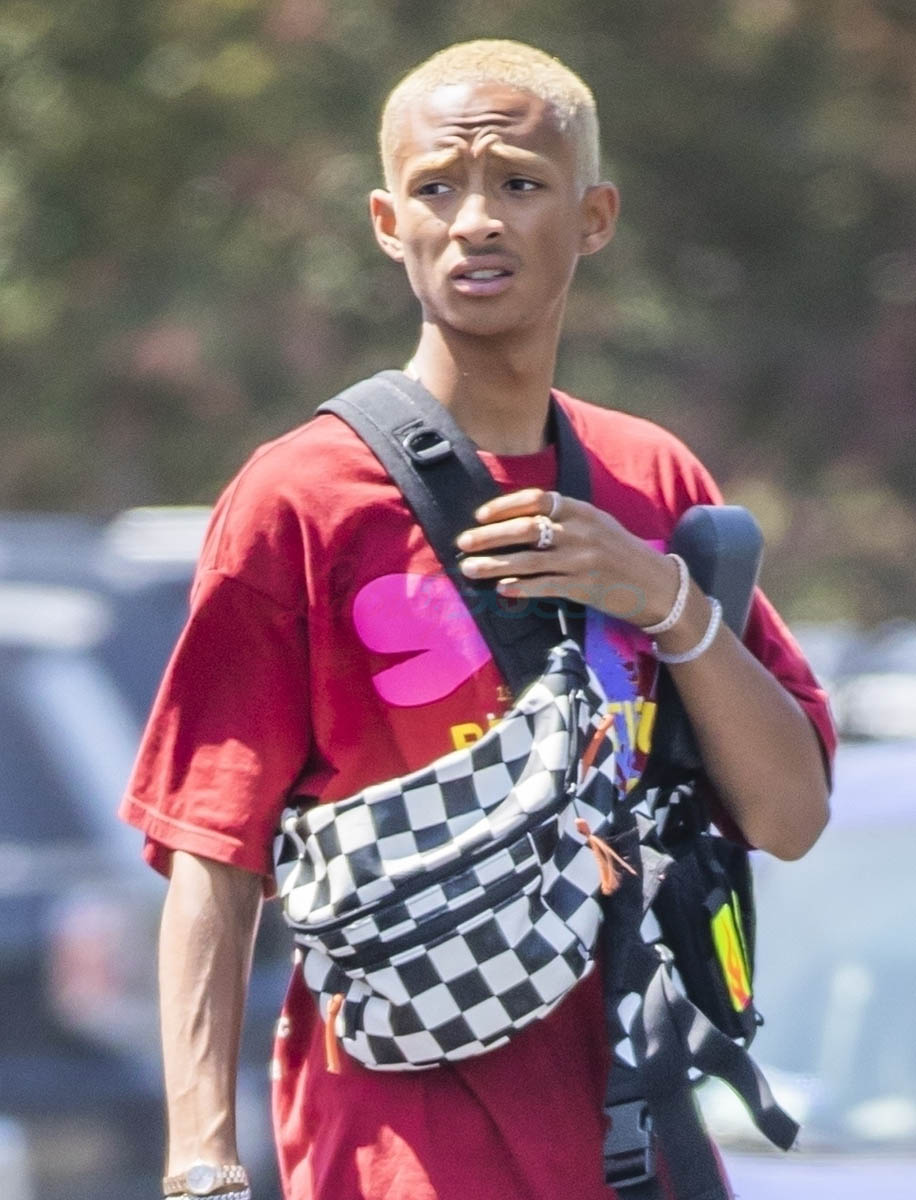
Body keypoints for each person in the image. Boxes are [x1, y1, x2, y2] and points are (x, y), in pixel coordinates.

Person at [120, 39, 835, 1200]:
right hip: (395, 1146)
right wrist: (201, 1159)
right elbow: (213, 850)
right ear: (385, 221)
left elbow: (789, 817)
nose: (475, 221)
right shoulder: (300, 497)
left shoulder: (652, 480)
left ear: (593, 216)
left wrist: (664, 600)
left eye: (518, 183)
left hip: (632, 1137)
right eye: (435, 188)